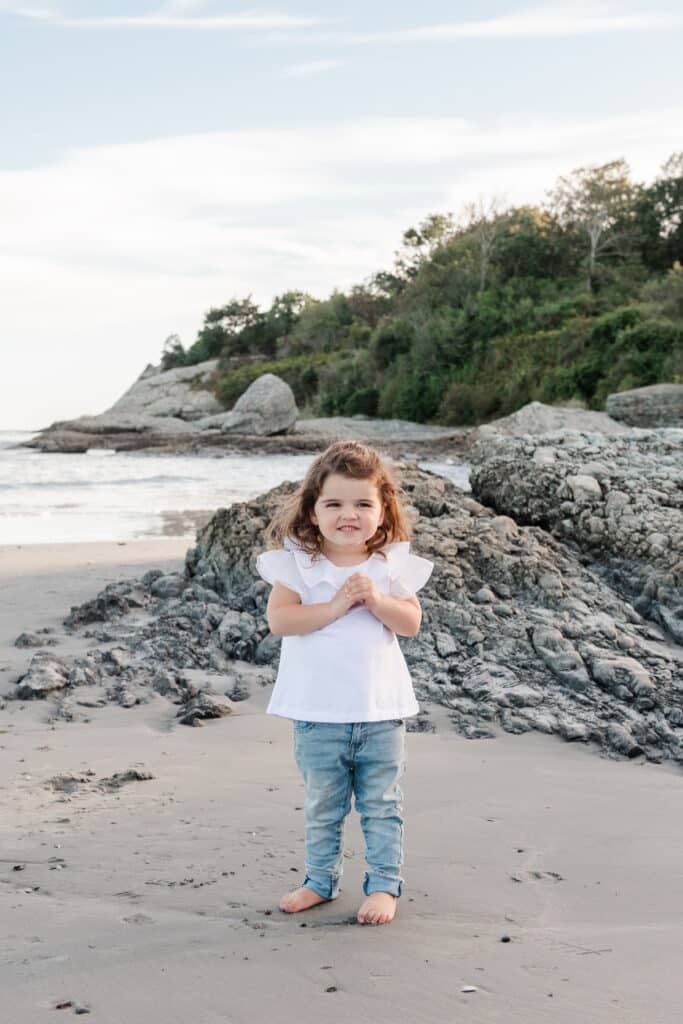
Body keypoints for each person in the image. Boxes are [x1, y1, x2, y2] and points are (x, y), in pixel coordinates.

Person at [255, 440, 433, 925]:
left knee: (381, 805)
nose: (347, 515)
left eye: (362, 504)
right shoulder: (299, 565)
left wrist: (376, 600)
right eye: (333, 504)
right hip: (317, 715)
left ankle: (383, 886)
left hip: (380, 713)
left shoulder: (390, 566)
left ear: (383, 510)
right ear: (313, 511)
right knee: (323, 805)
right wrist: (335, 607)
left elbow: (410, 623)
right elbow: (281, 621)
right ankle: (319, 880)